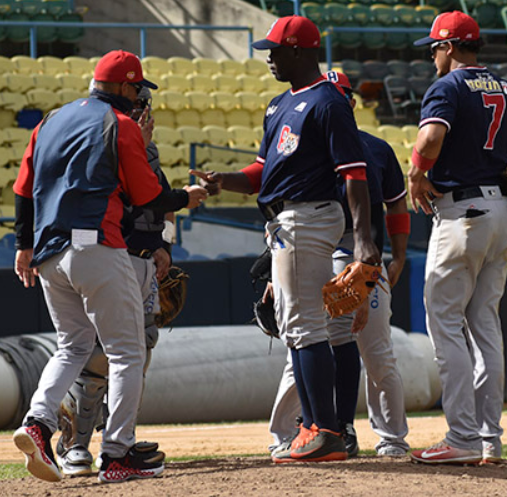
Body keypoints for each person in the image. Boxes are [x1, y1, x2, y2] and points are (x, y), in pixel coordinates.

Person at [12, 50, 207, 483]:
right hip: (96, 247)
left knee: (73, 346)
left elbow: (23, 190)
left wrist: (23, 245)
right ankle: (117, 454)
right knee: (127, 352)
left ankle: (37, 424)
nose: (138, 95)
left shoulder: (51, 120)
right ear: (122, 86)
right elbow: (147, 197)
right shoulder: (119, 126)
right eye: (136, 87)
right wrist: (185, 199)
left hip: (49, 253)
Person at [191, 16, 380, 463]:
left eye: (276, 49)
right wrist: (224, 182)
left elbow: (354, 174)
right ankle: (313, 427)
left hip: (308, 217)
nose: (269, 57)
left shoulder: (329, 102)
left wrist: (365, 240)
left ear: (301, 51)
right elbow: (262, 173)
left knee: (304, 326)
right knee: (297, 327)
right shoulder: (279, 104)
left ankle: (325, 430)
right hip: (285, 220)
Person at [407, 11, 507, 465]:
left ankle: (460, 436)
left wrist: (417, 172)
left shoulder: (447, 86)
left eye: (435, 46)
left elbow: (432, 137)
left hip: (463, 213)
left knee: (445, 322)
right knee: (485, 325)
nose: (433, 54)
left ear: (451, 47)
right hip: (501, 209)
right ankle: (489, 439)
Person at [268, 71, 411, 459]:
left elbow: (397, 202)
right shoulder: (303, 149)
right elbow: (280, 202)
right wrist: (273, 268)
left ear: (350, 102)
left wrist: (397, 256)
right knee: (303, 343)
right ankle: (289, 433)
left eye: (342, 94)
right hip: (311, 253)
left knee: (377, 351)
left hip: (359, 257)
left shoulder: (376, 149)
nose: (337, 100)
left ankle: (391, 438)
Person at [54, 84, 177, 476]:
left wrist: (163, 246)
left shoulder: (148, 150)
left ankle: (118, 440)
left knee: (138, 352)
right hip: (109, 256)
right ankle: (75, 445)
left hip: (143, 261)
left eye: (144, 105)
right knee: (96, 357)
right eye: (136, 104)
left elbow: (163, 201)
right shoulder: (107, 142)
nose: (142, 112)